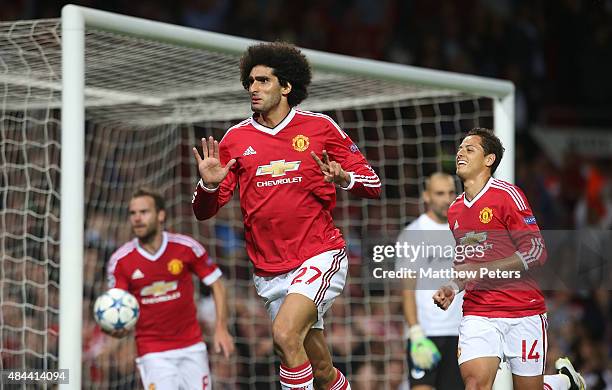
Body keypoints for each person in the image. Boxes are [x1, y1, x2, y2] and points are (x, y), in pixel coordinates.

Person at [191, 41, 381, 390]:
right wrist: (206, 184)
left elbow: (373, 183)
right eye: (250, 81)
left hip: (319, 254)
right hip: (270, 270)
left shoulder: (320, 128)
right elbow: (205, 211)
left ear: (286, 86)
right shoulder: (236, 139)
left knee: (283, 333)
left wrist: (344, 177)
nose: (253, 88)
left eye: (263, 80)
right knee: (321, 369)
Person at [433, 128, 586, 390]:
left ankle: (562, 382)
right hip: (478, 311)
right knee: (475, 384)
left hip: (522, 310)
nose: (460, 153)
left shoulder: (507, 195)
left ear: (489, 160)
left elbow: (537, 251)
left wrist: (484, 268)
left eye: (470, 149)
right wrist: (452, 286)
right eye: (460, 148)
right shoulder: (455, 209)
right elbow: (465, 264)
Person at [106, 188, 235, 390]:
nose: (137, 218)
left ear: (160, 215)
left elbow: (217, 284)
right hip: (153, 351)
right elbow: (116, 305)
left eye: (144, 212)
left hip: (192, 346)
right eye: (133, 213)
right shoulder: (120, 261)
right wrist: (116, 328)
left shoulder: (185, 247)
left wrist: (221, 327)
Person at [396, 172, 464, 389]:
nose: (446, 198)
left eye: (451, 193)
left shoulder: (464, 232)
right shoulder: (413, 233)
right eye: (440, 193)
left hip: (460, 333)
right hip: (426, 333)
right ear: (426, 196)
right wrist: (415, 332)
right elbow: (407, 288)